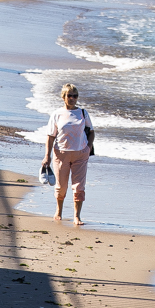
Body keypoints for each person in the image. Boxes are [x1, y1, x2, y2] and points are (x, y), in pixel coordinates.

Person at [42, 83, 93, 227]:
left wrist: (88, 148)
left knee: (79, 186)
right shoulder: (57, 114)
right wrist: (47, 156)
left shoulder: (83, 113)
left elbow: (92, 131)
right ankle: (59, 211)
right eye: (69, 95)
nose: (72, 98)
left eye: (75, 96)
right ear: (63, 97)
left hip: (80, 154)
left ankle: (77, 216)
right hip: (61, 154)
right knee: (61, 186)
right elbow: (50, 136)